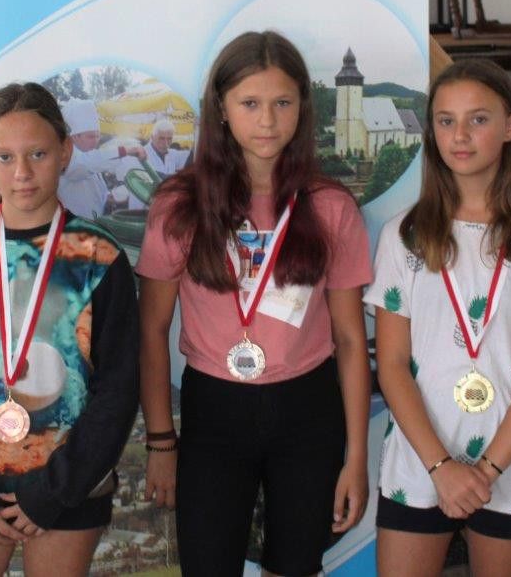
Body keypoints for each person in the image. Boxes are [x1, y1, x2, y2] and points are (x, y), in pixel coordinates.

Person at [136, 31, 373, 577]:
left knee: (296, 565)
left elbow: (349, 338)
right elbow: (152, 330)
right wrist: (161, 441)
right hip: (214, 411)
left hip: (308, 411)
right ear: (221, 108)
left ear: (302, 108)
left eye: (282, 103)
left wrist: (357, 458)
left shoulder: (331, 207)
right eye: (250, 103)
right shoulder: (179, 205)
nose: (267, 120)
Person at [365, 60, 511, 577]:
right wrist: (442, 468)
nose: (460, 136)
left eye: (478, 119)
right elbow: (392, 364)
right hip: (421, 458)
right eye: (446, 121)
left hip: (509, 460)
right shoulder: (404, 236)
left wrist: (484, 471)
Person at [0, 82, 140, 576]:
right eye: (5, 156)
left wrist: (55, 492)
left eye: (38, 153)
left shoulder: (98, 257)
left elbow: (118, 390)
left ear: (65, 151)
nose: (22, 172)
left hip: (70, 485)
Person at [58, 97, 144, 219]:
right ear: (74, 137)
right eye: (91, 137)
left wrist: (108, 197)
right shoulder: (64, 155)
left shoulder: (88, 155)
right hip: (72, 225)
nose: (95, 141)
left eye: (98, 136)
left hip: (92, 223)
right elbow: (83, 166)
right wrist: (124, 150)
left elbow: (93, 191)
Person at [125, 118, 190, 211]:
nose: (166, 143)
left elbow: (192, 156)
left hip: (162, 209)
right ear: (152, 137)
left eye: (169, 139)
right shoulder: (139, 154)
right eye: (161, 138)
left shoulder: (173, 154)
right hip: (141, 210)